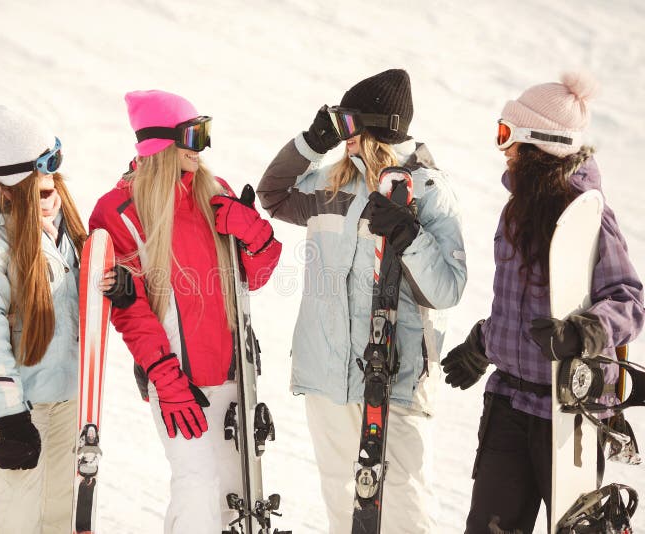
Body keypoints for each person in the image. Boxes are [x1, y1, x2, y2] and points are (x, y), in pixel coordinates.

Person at [257, 69, 467, 533]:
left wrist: (409, 236)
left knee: (405, 512)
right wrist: (310, 143)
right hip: (329, 376)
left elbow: (448, 288)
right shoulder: (333, 185)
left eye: (347, 125)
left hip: (396, 378)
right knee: (342, 505)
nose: (342, 137)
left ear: (377, 129)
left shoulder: (429, 191)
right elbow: (271, 195)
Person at [441, 72, 644, 533]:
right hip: (510, 403)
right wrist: (483, 343)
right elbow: (516, 306)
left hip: (567, 414)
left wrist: (582, 332)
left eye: (506, 135)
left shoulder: (585, 214)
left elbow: (629, 301)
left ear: (538, 143)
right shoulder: (514, 210)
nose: (503, 147)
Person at [88, 89, 282, 533]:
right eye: (193, 135)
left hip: (235, 376)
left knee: (239, 492)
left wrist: (257, 237)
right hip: (179, 379)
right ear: (160, 144)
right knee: (196, 483)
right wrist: (167, 380)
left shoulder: (215, 193)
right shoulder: (119, 211)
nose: (203, 147)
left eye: (205, 132)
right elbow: (130, 312)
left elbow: (252, 279)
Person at [0, 106, 133, 534]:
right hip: (22, 404)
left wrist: (118, 289)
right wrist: (10, 418)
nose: (54, 193)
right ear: (14, 186)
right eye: (42, 188)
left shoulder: (57, 222)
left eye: (56, 179)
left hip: (69, 396)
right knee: (20, 511)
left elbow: (78, 305)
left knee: (62, 509)